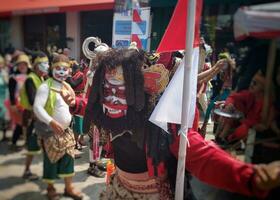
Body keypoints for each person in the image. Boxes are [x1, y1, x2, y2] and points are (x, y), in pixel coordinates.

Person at [60, 48, 280, 199]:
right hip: (118, 189)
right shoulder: (108, 113)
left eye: (120, 90)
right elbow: (92, 108)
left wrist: (250, 176)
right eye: (106, 90)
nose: (111, 99)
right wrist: (74, 102)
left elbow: (202, 155)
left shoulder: (162, 123)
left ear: (140, 89)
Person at [33, 54, 82, 200]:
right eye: (58, 68)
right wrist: (51, 122)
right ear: (52, 69)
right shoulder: (45, 87)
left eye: (65, 69)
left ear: (69, 71)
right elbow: (37, 108)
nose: (61, 72)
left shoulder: (66, 85)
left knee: (68, 160)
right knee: (51, 161)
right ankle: (50, 188)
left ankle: (68, 188)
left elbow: (72, 104)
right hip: (50, 132)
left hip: (66, 132)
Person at [19, 52, 49, 180]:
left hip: (40, 116)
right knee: (32, 146)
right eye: (43, 64)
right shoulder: (31, 79)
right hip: (32, 117)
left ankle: (48, 171)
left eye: (47, 64)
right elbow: (32, 100)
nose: (46, 67)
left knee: (45, 145)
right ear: (36, 66)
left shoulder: (41, 78)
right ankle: (26, 171)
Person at [8, 53, 30, 150]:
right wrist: (13, 104)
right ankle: (14, 142)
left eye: (24, 64)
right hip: (18, 103)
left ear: (27, 65)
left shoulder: (31, 76)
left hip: (28, 103)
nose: (22, 66)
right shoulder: (13, 77)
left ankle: (27, 142)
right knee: (20, 123)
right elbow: (11, 92)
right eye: (20, 64)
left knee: (27, 123)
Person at [0, 55, 9, 141]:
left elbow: (7, 84)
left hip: (3, 98)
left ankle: (4, 135)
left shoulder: (4, 73)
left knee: (3, 118)